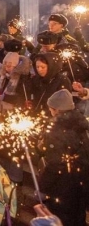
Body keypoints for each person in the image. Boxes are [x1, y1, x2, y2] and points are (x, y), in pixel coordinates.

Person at [38, 89, 89, 226]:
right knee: (78, 217)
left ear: (57, 110)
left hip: (63, 187)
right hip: (81, 182)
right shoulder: (80, 123)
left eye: (51, 109)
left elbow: (55, 164)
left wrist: (42, 186)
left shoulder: (57, 130)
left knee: (61, 218)